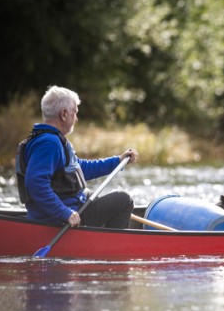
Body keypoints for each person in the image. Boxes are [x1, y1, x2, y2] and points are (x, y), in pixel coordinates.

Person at [16, 86, 139, 228]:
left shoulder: (53, 139)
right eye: (75, 112)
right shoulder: (49, 143)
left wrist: (118, 161)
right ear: (64, 114)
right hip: (61, 218)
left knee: (93, 195)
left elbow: (79, 169)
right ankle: (110, 242)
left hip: (71, 208)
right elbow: (36, 184)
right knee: (124, 200)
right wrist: (65, 213)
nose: (76, 118)